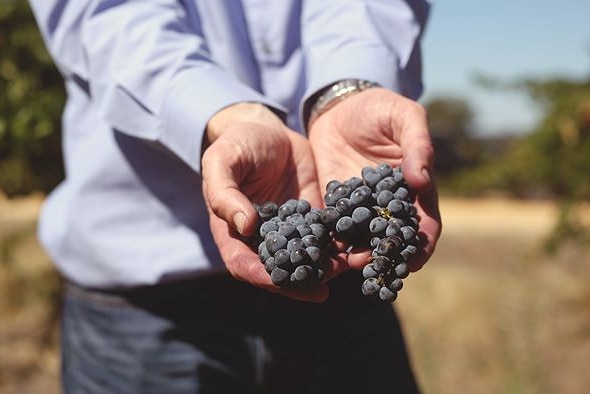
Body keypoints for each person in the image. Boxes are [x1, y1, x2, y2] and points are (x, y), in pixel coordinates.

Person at [29, 1, 441, 393]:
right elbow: (106, 15)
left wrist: (346, 89)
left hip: (343, 285)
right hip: (144, 308)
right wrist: (221, 112)